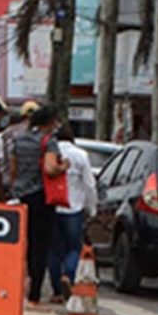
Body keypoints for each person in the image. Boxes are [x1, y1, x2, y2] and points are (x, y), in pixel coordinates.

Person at [4, 104, 62, 306]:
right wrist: (63, 167)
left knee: (23, 245)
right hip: (41, 197)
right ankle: (35, 292)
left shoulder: (18, 140)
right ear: (49, 123)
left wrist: (13, 188)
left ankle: (19, 285)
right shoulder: (49, 141)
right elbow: (50, 167)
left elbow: (12, 169)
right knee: (41, 246)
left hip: (20, 196)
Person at [47, 125, 98, 298]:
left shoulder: (49, 154)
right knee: (73, 248)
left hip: (52, 207)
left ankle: (56, 291)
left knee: (53, 250)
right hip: (74, 209)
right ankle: (68, 274)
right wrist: (91, 209)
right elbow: (89, 185)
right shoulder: (81, 155)